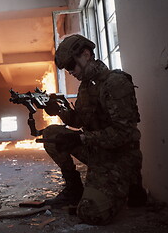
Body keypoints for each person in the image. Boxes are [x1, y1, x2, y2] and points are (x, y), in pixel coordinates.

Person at [42, 34, 147, 225]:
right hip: (98, 151)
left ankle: (131, 184)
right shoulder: (86, 87)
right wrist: (59, 110)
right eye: (66, 69)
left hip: (119, 157)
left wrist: (82, 138)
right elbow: (79, 120)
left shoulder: (115, 82)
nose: (70, 72)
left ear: (86, 54)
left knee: (90, 213)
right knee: (52, 135)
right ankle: (74, 189)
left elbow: (124, 133)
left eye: (71, 66)